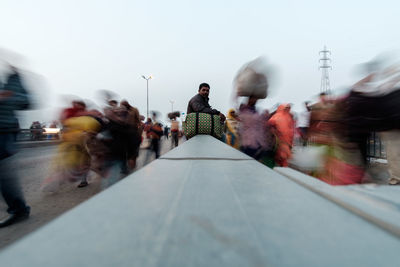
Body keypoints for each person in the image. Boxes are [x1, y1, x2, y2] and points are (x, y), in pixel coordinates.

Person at [0, 66, 31, 227]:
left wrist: (7, 97)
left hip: (4, 130)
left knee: (3, 175)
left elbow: (27, 101)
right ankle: (18, 209)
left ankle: (19, 210)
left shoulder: (13, 78)